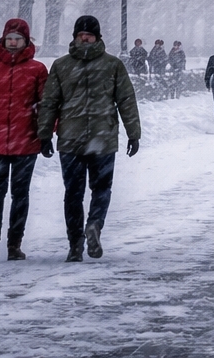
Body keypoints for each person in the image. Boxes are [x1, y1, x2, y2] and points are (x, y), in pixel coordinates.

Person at [36, 15, 141, 263]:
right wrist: (44, 134)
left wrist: (133, 133)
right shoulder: (61, 66)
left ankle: (90, 228)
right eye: (81, 34)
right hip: (72, 140)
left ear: (97, 37)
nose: (85, 38)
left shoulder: (112, 65)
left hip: (101, 139)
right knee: (75, 192)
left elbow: (126, 100)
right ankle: (77, 241)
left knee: (97, 189)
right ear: (74, 37)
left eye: (89, 35)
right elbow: (49, 102)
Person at [0, 17, 48, 261]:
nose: (13, 43)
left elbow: (46, 105)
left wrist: (46, 133)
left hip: (25, 140)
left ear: (27, 41)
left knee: (12, 193)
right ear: (3, 40)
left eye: (18, 39)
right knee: (3, 192)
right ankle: (2, 236)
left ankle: (8, 238)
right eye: (9, 39)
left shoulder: (37, 69)